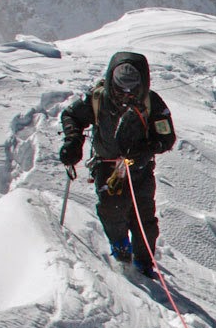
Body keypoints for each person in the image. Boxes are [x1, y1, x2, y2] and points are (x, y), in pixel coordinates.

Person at [58, 52, 176, 277]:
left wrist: (146, 149)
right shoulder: (98, 99)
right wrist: (73, 140)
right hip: (107, 166)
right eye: (122, 87)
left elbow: (166, 137)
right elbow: (71, 116)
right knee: (112, 211)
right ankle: (120, 247)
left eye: (133, 88)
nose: (127, 93)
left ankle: (144, 263)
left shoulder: (153, 103)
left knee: (144, 220)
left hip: (139, 167)